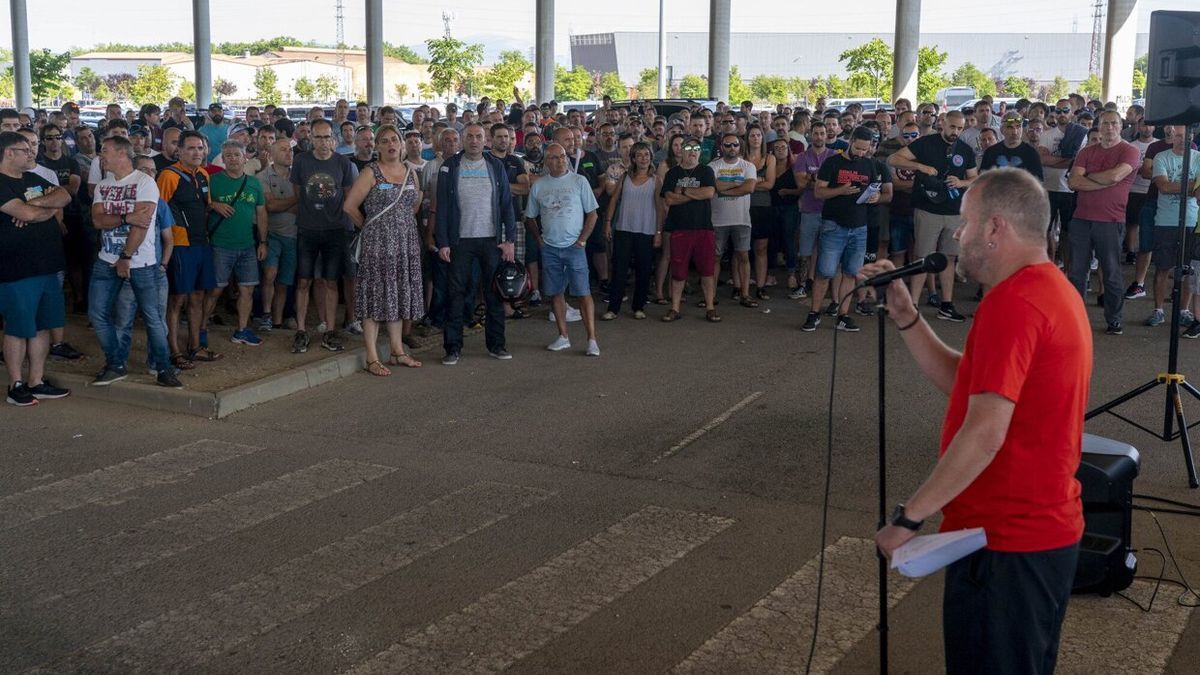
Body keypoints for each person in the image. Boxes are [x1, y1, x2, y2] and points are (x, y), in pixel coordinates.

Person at [872, 168, 1090, 675]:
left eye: (966, 224)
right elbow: (970, 386)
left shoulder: (1016, 303)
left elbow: (986, 431)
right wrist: (908, 316)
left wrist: (909, 518)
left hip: (1007, 542)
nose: (957, 235)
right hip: (1026, 535)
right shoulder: (1045, 288)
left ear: (995, 228)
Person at [88, 135, 180, 388]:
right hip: (106, 259)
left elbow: (144, 224)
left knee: (152, 317)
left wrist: (126, 256)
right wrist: (127, 217)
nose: (101, 155)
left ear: (121, 154)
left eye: (105, 151)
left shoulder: (145, 182)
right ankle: (115, 363)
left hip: (142, 263)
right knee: (98, 313)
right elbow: (97, 221)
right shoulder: (102, 185)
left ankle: (163, 367)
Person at [342, 124, 424, 375]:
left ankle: (397, 351)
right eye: (385, 141)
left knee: (397, 295)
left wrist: (401, 226)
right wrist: (369, 228)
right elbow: (349, 206)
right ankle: (372, 357)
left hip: (405, 244)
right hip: (377, 246)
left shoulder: (411, 172)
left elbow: (414, 204)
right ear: (377, 146)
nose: (391, 145)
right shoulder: (371, 172)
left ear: (401, 144)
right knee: (375, 298)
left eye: (395, 140)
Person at [434, 123, 517, 365]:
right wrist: (443, 242)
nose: (473, 140)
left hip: (491, 241)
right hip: (460, 242)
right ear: (462, 140)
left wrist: (509, 239)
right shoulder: (450, 167)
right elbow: (442, 208)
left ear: (486, 140)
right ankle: (453, 347)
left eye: (478, 136)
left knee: (495, 295)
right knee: (456, 294)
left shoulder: (495, 165)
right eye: (469, 136)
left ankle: (497, 345)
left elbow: (506, 205)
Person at [0, 131, 73, 406]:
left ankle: (37, 381)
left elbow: (63, 195)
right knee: (19, 328)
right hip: (16, 270)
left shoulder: (33, 179)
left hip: (47, 266)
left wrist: (34, 205)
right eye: (25, 149)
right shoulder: (1, 183)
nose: (32, 152)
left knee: (43, 326)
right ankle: (16, 384)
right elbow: (28, 216)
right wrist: (40, 211)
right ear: (9, 153)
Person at [888, 110, 977, 322]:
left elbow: (974, 177)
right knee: (923, 258)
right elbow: (894, 159)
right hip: (927, 209)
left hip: (954, 211)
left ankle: (946, 305)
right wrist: (920, 166)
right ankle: (913, 306)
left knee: (949, 258)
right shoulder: (925, 143)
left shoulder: (965, 149)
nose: (955, 131)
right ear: (943, 124)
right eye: (952, 126)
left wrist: (962, 183)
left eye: (960, 128)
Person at [803, 127, 891, 333]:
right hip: (833, 225)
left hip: (860, 227)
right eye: (858, 148)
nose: (861, 153)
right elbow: (818, 192)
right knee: (824, 273)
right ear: (850, 141)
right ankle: (814, 312)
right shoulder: (832, 162)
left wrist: (877, 197)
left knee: (851, 273)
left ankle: (843, 315)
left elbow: (887, 194)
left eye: (865, 149)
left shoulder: (870, 165)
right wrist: (841, 190)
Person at [1066, 110, 1140, 335]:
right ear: (1099, 126)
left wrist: (1088, 177)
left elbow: (1115, 177)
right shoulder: (1086, 151)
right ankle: (1075, 320)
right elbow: (1072, 182)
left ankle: (1114, 319)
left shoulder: (1130, 150)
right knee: (1077, 273)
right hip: (1081, 219)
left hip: (1110, 220)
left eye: (1114, 123)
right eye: (1105, 123)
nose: (1109, 127)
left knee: (1111, 272)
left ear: (1121, 125)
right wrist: (1103, 180)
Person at [525, 142, 601, 356]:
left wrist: (583, 240)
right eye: (553, 158)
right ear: (546, 162)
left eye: (562, 157)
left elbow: (592, 214)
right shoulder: (539, 185)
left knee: (583, 292)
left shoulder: (579, 181)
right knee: (556, 292)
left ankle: (591, 339)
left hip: (574, 247)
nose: (559, 161)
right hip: (549, 247)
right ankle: (563, 336)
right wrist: (539, 240)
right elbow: (529, 217)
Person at [289, 118, 356, 354]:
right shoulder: (301, 161)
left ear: (333, 139)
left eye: (327, 137)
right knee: (304, 281)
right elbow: (299, 195)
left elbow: (349, 197)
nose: (323, 142)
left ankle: (329, 330)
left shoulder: (343, 163)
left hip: (336, 230)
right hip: (307, 229)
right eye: (318, 137)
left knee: (330, 282)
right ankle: (300, 330)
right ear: (311, 140)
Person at [159, 130, 221, 369]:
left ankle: (195, 347)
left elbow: (205, 207)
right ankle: (174, 351)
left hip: (201, 242)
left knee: (197, 296)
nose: (197, 152)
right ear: (180, 150)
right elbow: (160, 211)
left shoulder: (204, 175)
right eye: (192, 148)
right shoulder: (169, 175)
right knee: (177, 300)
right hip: (179, 245)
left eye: (201, 148)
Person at [205, 140, 268, 346]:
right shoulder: (212, 181)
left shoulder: (254, 183)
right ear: (222, 159)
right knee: (215, 290)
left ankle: (242, 330)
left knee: (247, 289)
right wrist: (214, 205)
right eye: (228, 155)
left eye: (236, 155)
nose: (233, 158)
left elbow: (261, 214)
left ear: (244, 158)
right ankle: (201, 328)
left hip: (248, 245)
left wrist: (263, 241)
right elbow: (200, 206)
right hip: (220, 245)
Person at [660, 136, 720, 323]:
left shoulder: (706, 171)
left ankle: (710, 307)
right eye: (688, 148)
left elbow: (709, 193)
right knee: (678, 271)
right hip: (679, 228)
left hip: (703, 228)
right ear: (681, 151)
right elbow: (668, 198)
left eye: (696, 148)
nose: (692, 151)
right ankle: (675, 308)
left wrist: (684, 192)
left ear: (700, 152)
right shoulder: (673, 173)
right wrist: (696, 195)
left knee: (707, 270)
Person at [1145, 125, 1200, 328]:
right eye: (1177, 136)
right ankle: (1158, 309)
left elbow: (1197, 191)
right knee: (1162, 267)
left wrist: (1191, 187)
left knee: (1187, 269)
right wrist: (1192, 185)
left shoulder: (1198, 157)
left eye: (1185, 137)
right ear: (1172, 137)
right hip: (1165, 220)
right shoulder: (1161, 157)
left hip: (1191, 220)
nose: (1180, 140)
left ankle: (1183, 310)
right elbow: (1164, 186)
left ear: (1191, 137)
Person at [603, 141, 658, 320]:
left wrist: (659, 232)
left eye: (647, 155)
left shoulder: (656, 180)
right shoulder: (625, 177)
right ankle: (613, 308)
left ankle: (638, 306)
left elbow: (661, 208)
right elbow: (614, 200)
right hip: (624, 229)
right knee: (619, 269)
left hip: (647, 230)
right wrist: (608, 222)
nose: (644, 158)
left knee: (643, 270)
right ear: (633, 158)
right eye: (640, 155)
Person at [710, 132, 759, 307]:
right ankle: (711, 295)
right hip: (717, 220)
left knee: (743, 256)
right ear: (721, 147)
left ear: (740, 146)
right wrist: (738, 184)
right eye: (728, 145)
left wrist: (722, 189)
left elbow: (750, 188)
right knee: (714, 258)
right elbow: (713, 186)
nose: (732, 148)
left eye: (735, 145)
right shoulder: (712, 166)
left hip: (742, 219)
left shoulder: (748, 166)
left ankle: (745, 294)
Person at [260, 138, 298, 331]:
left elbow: (302, 207)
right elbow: (270, 205)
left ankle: (277, 320)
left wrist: (284, 205)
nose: (288, 153)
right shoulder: (263, 176)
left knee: (284, 281)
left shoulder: (298, 175)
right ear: (272, 155)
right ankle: (265, 314)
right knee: (270, 274)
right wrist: (295, 201)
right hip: (271, 234)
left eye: (289, 150)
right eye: (283, 150)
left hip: (293, 235)